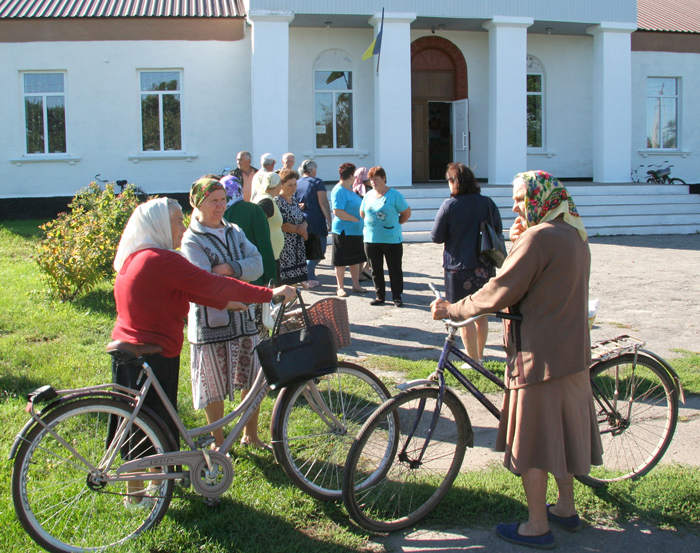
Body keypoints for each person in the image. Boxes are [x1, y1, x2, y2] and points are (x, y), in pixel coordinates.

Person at [431, 170, 602, 550]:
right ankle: (565, 508)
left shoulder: (539, 239)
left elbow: (499, 291)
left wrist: (453, 309)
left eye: (521, 198)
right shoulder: (573, 233)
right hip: (570, 355)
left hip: (538, 358)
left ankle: (537, 525)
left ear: (540, 197)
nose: (514, 206)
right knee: (559, 437)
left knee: (536, 444)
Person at [111, 197, 294, 504]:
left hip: (131, 351)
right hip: (155, 352)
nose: (182, 227)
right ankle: (141, 494)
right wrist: (269, 293)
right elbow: (210, 283)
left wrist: (224, 302)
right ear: (157, 225)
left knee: (139, 420)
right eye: (175, 221)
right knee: (150, 420)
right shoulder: (161, 259)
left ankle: (143, 489)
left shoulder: (136, 256)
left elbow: (188, 288)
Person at [181, 177, 269, 449]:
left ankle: (250, 435)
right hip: (211, 323)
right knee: (213, 386)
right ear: (197, 203)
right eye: (213, 201)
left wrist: (229, 268)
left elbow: (258, 265)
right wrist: (232, 274)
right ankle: (219, 444)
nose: (220, 206)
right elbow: (203, 282)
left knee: (251, 378)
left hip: (245, 319)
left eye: (222, 200)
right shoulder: (192, 239)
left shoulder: (234, 230)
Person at [431, 162, 502, 363]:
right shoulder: (488, 203)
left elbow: (436, 236)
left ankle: (473, 360)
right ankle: (479, 356)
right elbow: (497, 230)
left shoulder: (449, 205)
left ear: (455, 182)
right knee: (481, 314)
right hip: (484, 265)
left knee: (463, 316)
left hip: (458, 268)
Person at [360, 166, 411, 307]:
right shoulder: (368, 195)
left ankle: (397, 296)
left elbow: (406, 213)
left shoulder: (395, 195)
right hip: (371, 239)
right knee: (375, 269)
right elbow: (362, 212)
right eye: (371, 180)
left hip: (391, 239)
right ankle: (379, 296)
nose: (373, 182)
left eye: (376, 179)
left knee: (394, 269)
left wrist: (396, 224)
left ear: (383, 178)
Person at [221, 174, 276, 286]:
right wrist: (270, 277)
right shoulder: (253, 210)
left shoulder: (217, 212)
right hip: (252, 274)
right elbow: (264, 245)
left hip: (224, 276)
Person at [330, 162, 367, 297]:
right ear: (351, 175)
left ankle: (356, 285)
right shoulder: (339, 190)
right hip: (343, 231)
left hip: (356, 231)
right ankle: (340, 287)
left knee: (355, 259)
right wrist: (355, 219)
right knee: (340, 260)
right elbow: (337, 211)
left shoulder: (350, 189)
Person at [295, 159, 332, 288]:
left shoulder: (297, 183)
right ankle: (300, 275)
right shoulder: (317, 182)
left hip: (301, 220)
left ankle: (310, 279)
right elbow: (323, 202)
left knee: (308, 251)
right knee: (319, 251)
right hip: (315, 220)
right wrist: (329, 219)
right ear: (312, 170)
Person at [274, 169, 309, 286]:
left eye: (295, 184)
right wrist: (301, 231)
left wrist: (304, 226)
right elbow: (283, 224)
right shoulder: (277, 201)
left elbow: (302, 218)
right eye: (290, 185)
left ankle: (294, 302)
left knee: (295, 281)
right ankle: (288, 304)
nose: (293, 188)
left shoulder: (294, 199)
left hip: (297, 247)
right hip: (285, 248)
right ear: (281, 185)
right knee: (287, 283)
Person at [253, 171, 285, 281]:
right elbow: (258, 222)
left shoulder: (266, 198)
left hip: (273, 252)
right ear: (276, 184)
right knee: (273, 286)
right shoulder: (266, 201)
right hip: (269, 254)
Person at [352, 166, 373, 280]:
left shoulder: (355, 188)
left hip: (357, 221)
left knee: (361, 248)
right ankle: (366, 268)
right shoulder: (368, 190)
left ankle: (361, 272)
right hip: (366, 222)